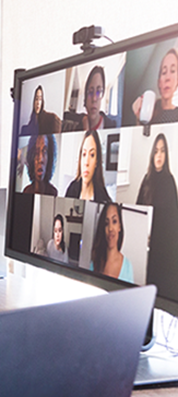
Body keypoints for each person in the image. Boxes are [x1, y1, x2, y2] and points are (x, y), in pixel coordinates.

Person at [136, 133, 178, 289]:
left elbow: (173, 220)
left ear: (166, 154)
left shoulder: (170, 181)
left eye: (162, 151)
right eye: (156, 151)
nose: (159, 155)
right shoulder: (146, 179)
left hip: (163, 247)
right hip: (145, 244)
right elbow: (138, 210)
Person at [132, 48, 178, 124]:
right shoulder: (150, 111)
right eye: (164, 72)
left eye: (172, 71)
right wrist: (138, 118)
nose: (167, 78)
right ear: (159, 82)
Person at [64, 130, 112, 203]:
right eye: (84, 154)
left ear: (97, 161)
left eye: (92, 155)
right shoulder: (72, 189)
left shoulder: (103, 198)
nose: (86, 162)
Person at [90, 203, 133, 282]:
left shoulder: (127, 267)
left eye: (114, 221)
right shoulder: (94, 262)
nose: (110, 228)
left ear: (119, 226)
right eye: (106, 223)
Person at [74, 66, 117, 131]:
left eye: (98, 92)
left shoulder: (112, 127)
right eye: (91, 92)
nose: (94, 99)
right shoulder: (77, 129)